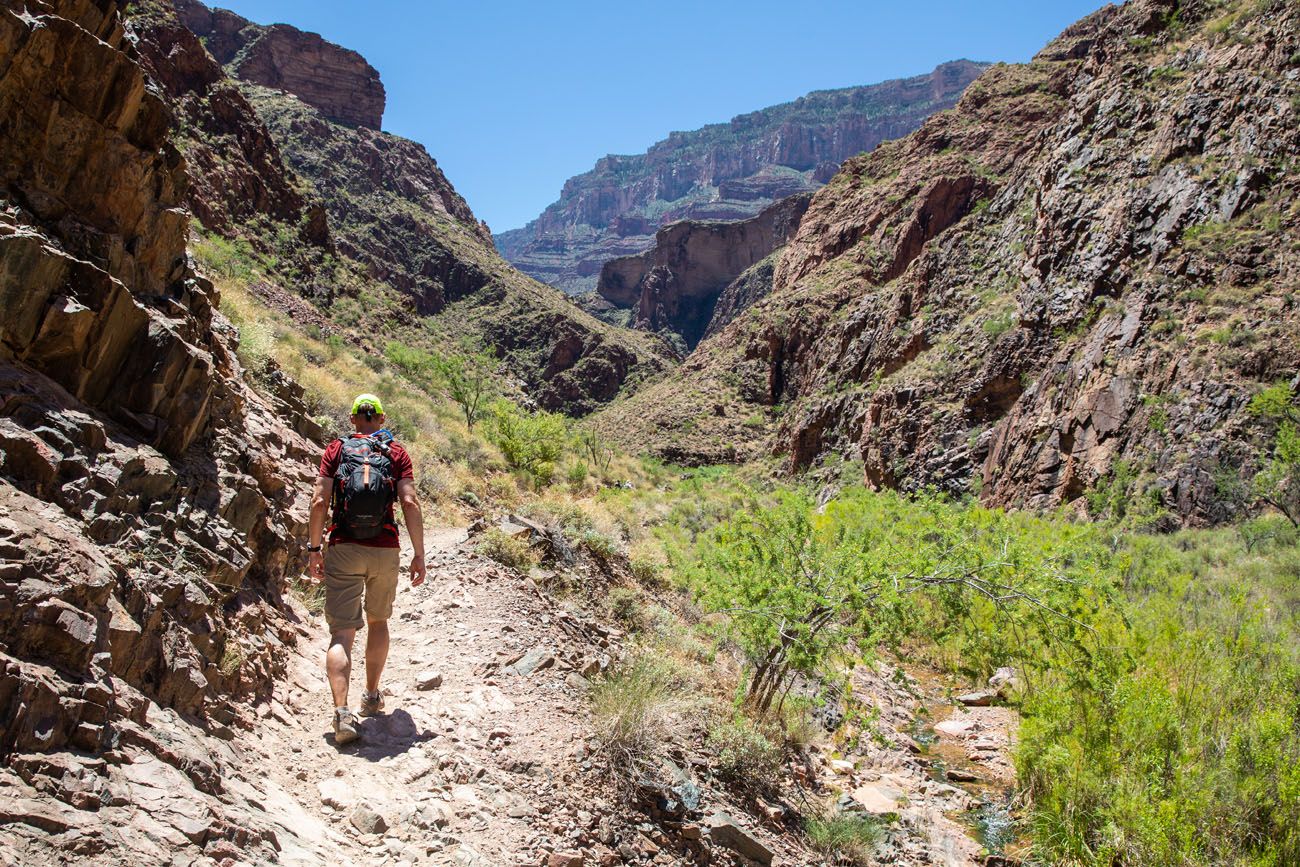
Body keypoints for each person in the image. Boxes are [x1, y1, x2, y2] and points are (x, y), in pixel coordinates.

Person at [305, 393, 427, 744]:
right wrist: (419, 554)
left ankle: (342, 713)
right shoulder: (397, 453)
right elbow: (409, 501)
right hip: (384, 548)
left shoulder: (336, 450)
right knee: (378, 621)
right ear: (382, 419)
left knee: (342, 633)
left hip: (343, 546)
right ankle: (371, 697)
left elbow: (318, 501)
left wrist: (315, 548)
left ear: (353, 418)